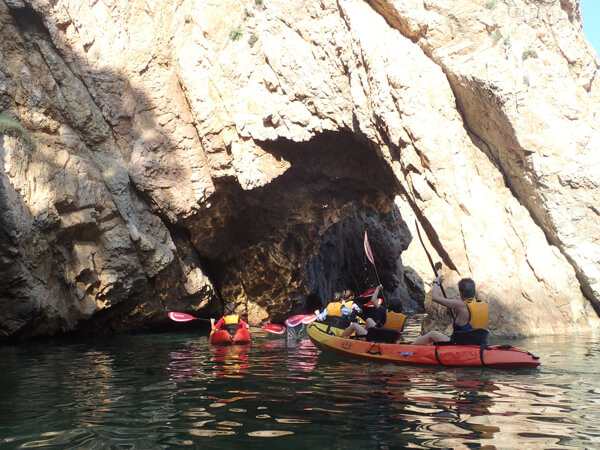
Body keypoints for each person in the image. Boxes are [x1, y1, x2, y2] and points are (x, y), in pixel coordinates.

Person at [411, 275, 477, 345]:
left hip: (459, 345)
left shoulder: (461, 304)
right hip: (475, 343)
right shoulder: (479, 305)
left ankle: (407, 349)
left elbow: (435, 297)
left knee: (432, 334)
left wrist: (436, 282)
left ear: (460, 292)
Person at [341, 285, 405, 338]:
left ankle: (341, 339)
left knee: (354, 325)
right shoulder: (403, 318)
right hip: (391, 340)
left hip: (377, 339)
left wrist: (378, 288)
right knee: (369, 320)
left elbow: (373, 300)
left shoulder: (384, 311)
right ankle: (364, 335)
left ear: (389, 305)